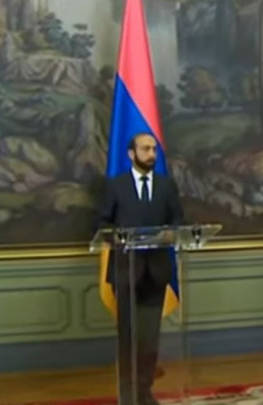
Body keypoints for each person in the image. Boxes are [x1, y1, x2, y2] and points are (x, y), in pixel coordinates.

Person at [95, 133, 185, 405]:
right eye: (145, 149)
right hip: (126, 270)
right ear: (131, 154)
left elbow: (178, 220)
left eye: (154, 149)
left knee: (149, 339)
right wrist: (118, 236)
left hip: (155, 271)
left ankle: (145, 393)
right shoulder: (116, 186)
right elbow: (101, 223)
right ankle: (128, 395)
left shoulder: (166, 186)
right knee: (128, 338)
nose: (151, 154)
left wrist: (171, 233)